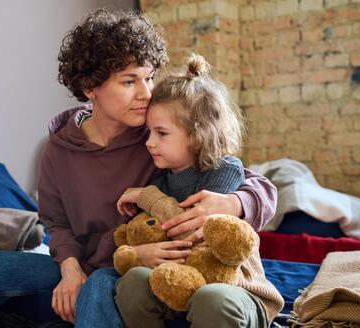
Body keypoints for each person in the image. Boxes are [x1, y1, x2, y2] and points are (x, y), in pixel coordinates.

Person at [0, 9, 277, 328]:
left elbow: (249, 179)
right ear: (90, 87)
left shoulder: (155, 136)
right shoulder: (58, 149)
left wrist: (233, 204)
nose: (146, 93)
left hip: (126, 264)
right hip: (83, 262)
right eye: (129, 81)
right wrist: (68, 267)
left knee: (99, 286)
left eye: (148, 77)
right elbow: (56, 224)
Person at [114, 54, 284, 328]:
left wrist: (147, 197)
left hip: (235, 288)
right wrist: (139, 253)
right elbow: (150, 232)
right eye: (149, 133)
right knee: (133, 281)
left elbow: (192, 229)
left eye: (162, 133)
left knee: (211, 298)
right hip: (178, 284)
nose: (149, 143)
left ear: (197, 135)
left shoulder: (223, 169)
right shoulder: (160, 181)